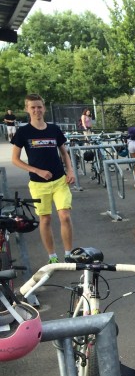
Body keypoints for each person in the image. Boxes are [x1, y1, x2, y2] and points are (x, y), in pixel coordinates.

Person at [10, 94, 75, 265]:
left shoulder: (54, 129)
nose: (36, 110)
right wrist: (37, 170)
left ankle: (68, 254)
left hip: (60, 180)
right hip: (38, 184)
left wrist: (70, 170)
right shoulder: (23, 132)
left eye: (39, 107)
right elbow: (15, 159)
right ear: (27, 110)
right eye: (33, 107)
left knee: (65, 216)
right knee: (45, 220)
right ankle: (52, 256)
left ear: (44, 108)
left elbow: (64, 152)